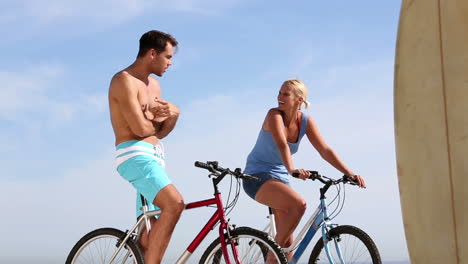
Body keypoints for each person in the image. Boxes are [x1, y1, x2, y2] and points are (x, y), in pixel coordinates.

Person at [242, 79, 366, 261]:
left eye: (286, 94)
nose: (279, 97)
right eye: (279, 93)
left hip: (280, 178)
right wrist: (292, 169)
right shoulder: (273, 115)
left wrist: (349, 173)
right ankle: (271, 257)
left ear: (299, 100)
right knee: (299, 205)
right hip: (256, 176)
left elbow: (325, 150)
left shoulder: (305, 121)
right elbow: (282, 144)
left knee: (287, 243)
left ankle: (277, 256)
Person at [108, 30, 184, 264]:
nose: (170, 63)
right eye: (168, 57)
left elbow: (159, 132)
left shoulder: (155, 87)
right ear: (152, 53)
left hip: (155, 157)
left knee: (148, 235)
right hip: (134, 156)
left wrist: (173, 116)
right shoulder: (123, 80)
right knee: (175, 204)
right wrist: (156, 117)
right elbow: (141, 130)